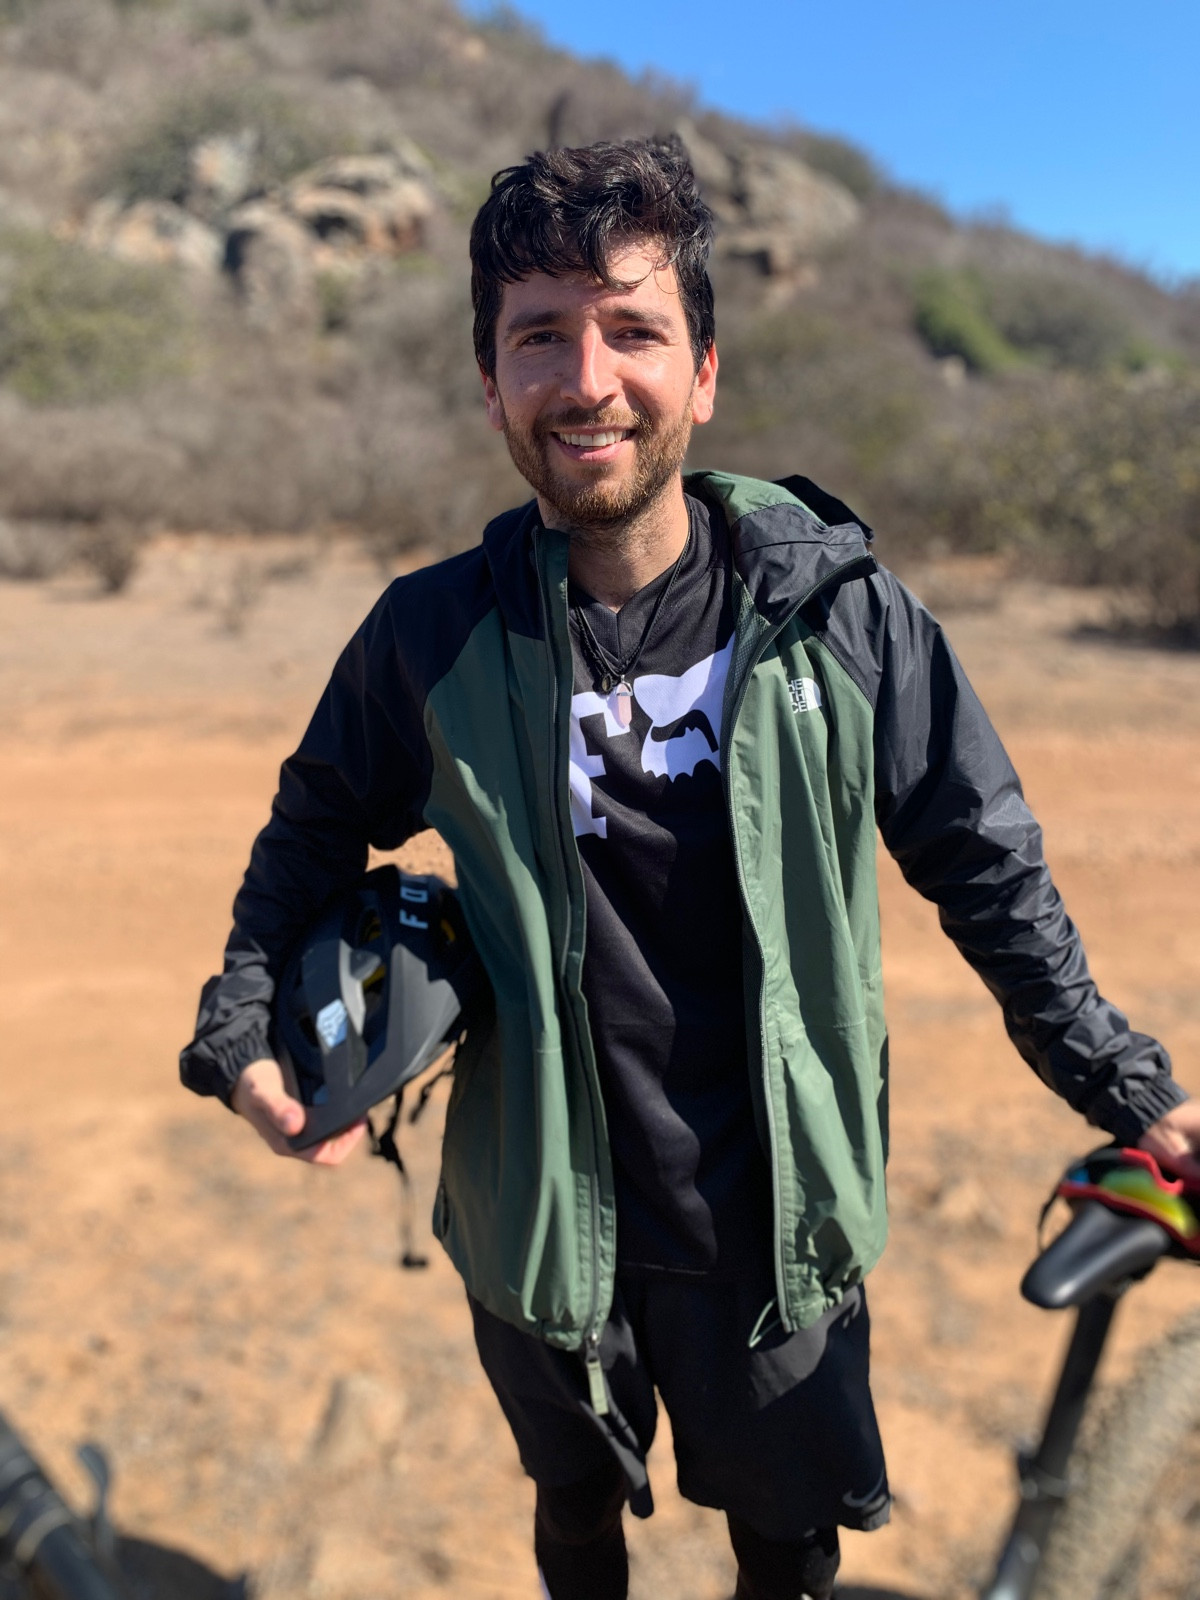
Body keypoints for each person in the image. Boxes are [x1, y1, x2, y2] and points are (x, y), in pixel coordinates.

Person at [180, 136, 1200, 1600]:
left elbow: (986, 867)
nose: (587, 378)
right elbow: (312, 826)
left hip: (776, 1216)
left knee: (786, 1545)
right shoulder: (430, 635)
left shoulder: (841, 613)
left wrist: (1133, 1089)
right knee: (574, 1507)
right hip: (543, 1207)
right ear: (491, 385)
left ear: (704, 372)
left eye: (634, 330)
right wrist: (241, 1020)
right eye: (540, 336)